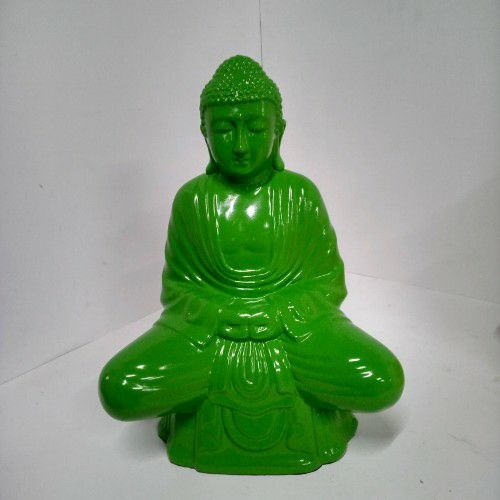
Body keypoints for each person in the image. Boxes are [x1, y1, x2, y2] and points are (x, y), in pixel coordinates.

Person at [99, 55, 404, 474]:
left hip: (296, 331)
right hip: (208, 333)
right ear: (204, 133)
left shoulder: (299, 195)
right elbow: (178, 289)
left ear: (279, 131)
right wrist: (220, 315)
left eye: (256, 128)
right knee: (120, 388)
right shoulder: (192, 200)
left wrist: (280, 314)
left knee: (381, 379)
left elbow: (328, 282)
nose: (240, 144)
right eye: (224, 129)